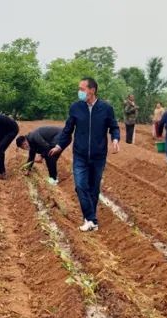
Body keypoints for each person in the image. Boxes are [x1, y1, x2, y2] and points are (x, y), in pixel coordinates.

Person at [48, 78, 120, 232]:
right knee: (80, 186)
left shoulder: (106, 108)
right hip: (80, 154)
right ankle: (91, 219)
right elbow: (68, 129)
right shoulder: (76, 107)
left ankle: (90, 220)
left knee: (94, 188)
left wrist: (115, 139)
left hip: (98, 155)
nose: (79, 92)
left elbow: (114, 126)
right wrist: (59, 145)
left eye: (82, 88)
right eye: (79, 89)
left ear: (92, 90)